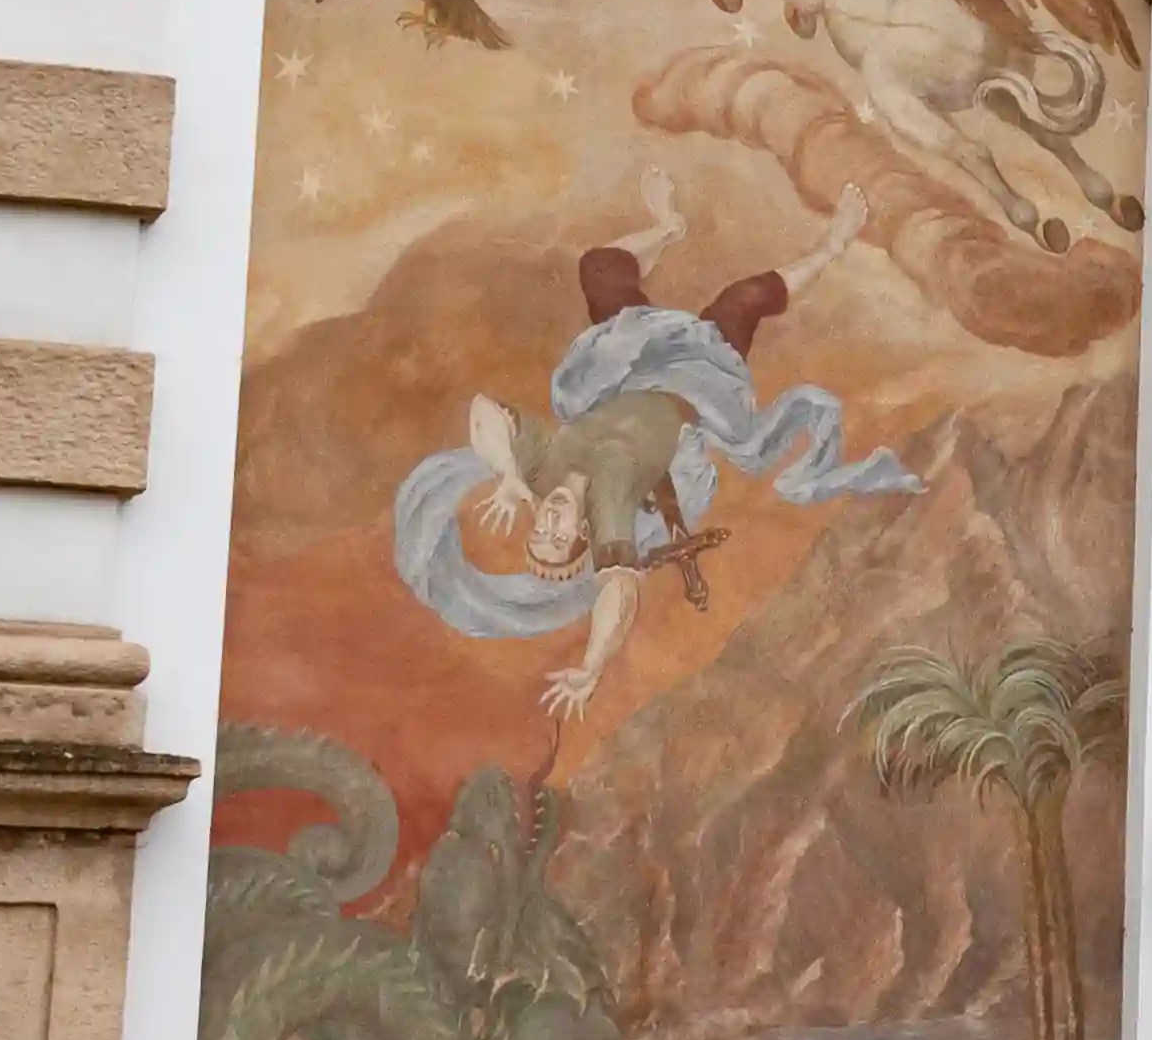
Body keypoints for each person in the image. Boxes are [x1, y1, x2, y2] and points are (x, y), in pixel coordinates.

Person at [390, 179, 914, 721]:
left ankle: (669, 228)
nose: (548, 525)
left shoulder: (540, 472)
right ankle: (834, 245)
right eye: (558, 540)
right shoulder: (610, 507)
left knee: (599, 267)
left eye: (538, 534)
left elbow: (482, 411)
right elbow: (618, 593)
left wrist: (508, 477)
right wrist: (593, 668)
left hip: (628, 365)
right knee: (739, 302)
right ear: (584, 537)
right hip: (696, 386)